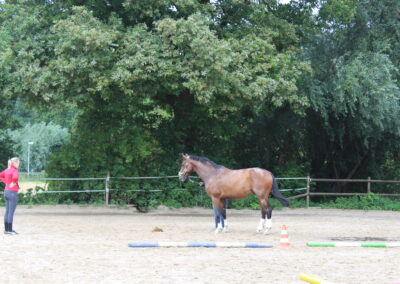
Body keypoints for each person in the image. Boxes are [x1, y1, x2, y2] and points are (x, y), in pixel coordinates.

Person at [0, 157, 21, 235]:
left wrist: (6, 182)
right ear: (15, 163)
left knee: (7, 211)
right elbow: (15, 177)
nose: (18, 165)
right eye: (18, 163)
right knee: (11, 212)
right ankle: (10, 230)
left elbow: (0, 176)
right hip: (12, 192)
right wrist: (13, 182)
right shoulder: (14, 170)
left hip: (6, 192)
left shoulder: (7, 170)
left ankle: (6, 229)